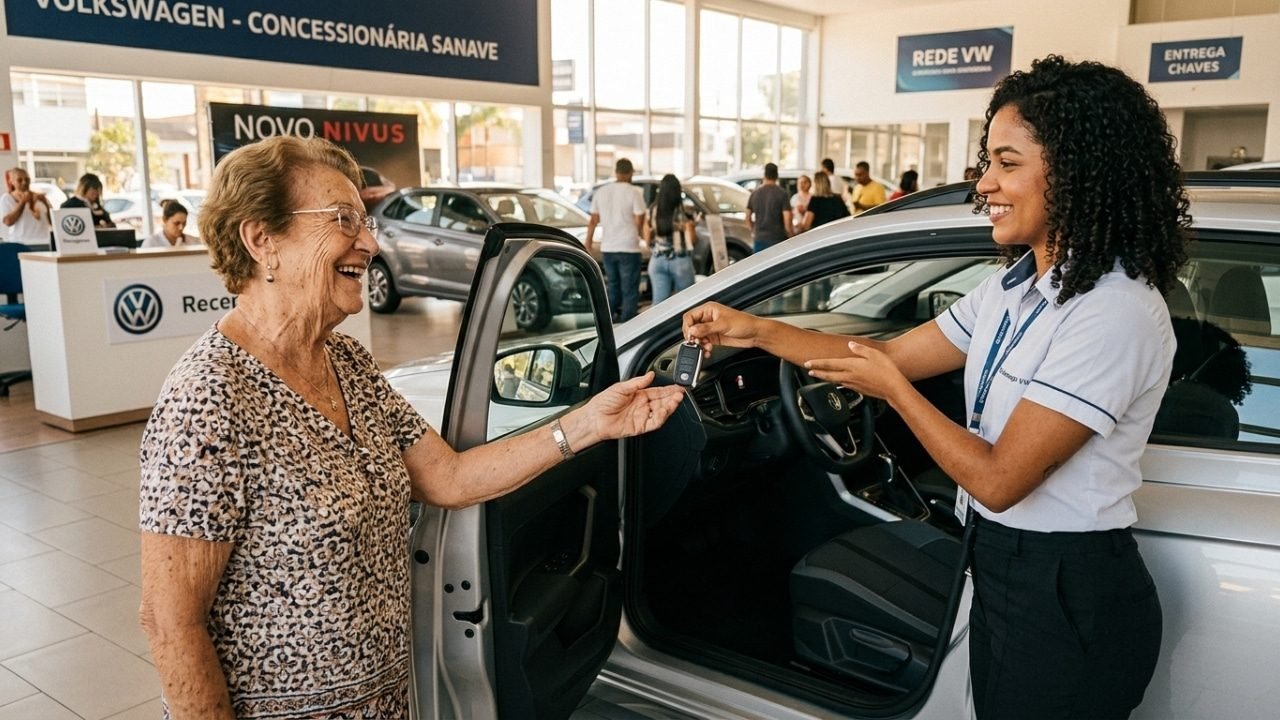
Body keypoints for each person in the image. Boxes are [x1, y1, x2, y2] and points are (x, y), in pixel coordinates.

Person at [683, 55, 1189, 719]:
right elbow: (887, 354)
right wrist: (755, 331)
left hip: (1065, 589)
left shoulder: (1113, 311)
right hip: (1004, 564)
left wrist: (893, 390)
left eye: (1007, 163)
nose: (985, 183)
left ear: (1077, 172)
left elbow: (999, 479)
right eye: (988, 161)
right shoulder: (1012, 289)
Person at [137, 136, 683, 719]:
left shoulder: (346, 361)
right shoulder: (209, 398)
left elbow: (450, 477)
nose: (370, 242)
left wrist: (588, 424)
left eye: (365, 221)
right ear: (261, 239)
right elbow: (170, 620)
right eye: (343, 219)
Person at [585, 158, 646, 322]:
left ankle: (608, 322)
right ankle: (628, 325)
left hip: (608, 248)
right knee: (629, 289)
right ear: (631, 173)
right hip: (629, 248)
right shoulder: (634, 192)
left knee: (612, 287)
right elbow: (640, 219)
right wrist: (641, 234)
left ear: (616, 172)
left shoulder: (601, 192)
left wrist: (588, 243)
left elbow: (593, 220)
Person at [643, 174, 698, 304]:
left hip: (657, 261)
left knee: (659, 305)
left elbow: (647, 240)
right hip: (680, 261)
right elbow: (693, 240)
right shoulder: (684, 212)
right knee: (686, 303)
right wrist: (691, 227)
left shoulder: (652, 210)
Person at [745, 162, 792, 253]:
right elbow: (787, 220)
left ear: (764, 175)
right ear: (777, 175)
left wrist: (754, 231)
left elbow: (747, 217)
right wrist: (790, 235)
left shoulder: (755, 194)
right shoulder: (782, 194)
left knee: (760, 262)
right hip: (778, 239)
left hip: (759, 239)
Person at [1, 167, 53, 244]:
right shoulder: (7, 198)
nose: (24, 182)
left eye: (27, 179)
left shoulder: (39, 197)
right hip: (21, 243)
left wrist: (45, 203)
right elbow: (8, 221)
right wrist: (22, 202)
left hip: (44, 242)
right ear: (11, 181)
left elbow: (53, 222)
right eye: (19, 180)